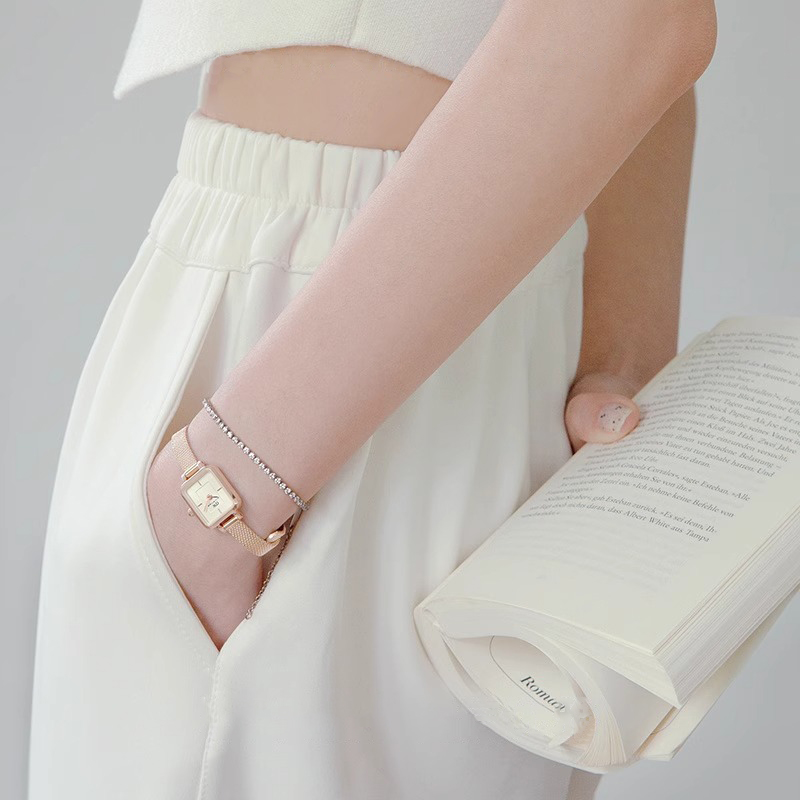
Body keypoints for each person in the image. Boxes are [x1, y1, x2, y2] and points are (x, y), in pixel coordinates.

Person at [28, 1, 718, 799]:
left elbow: (633, 19)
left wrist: (224, 493)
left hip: (344, 364)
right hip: (330, 326)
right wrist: (620, 357)